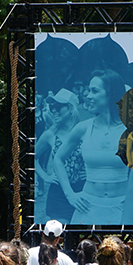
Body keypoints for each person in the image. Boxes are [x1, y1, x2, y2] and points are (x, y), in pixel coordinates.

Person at [54, 69, 133, 224]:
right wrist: (70, 194)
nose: (88, 96)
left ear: (111, 94)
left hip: (121, 208)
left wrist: (131, 208)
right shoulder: (83, 128)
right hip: (86, 207)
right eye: (88, 90)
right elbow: (58, 159)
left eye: (94, 91)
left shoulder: (131, 132)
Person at [35, 88, 82, 223]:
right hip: (58, 194)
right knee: (60, 235)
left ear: (71, 109)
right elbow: (32, 156)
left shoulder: (84, 131)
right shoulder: (50, 134)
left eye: (58, 106)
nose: (53, 110)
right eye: (51, 106)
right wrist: (45, 177)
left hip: (82, 190)